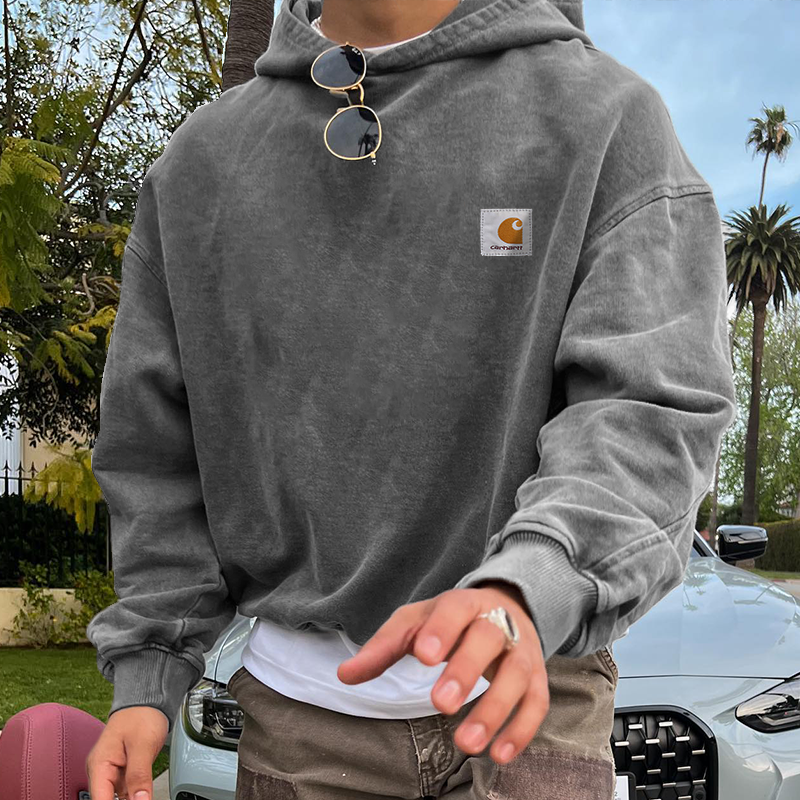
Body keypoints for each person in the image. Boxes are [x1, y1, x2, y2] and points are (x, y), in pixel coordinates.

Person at [84, 0, 738, 798]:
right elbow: (155, 446)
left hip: (533, 710)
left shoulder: (606, 119)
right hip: (298, 733)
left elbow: (649, 408)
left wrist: (531, 585)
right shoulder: (200, 166)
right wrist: (151, 670)